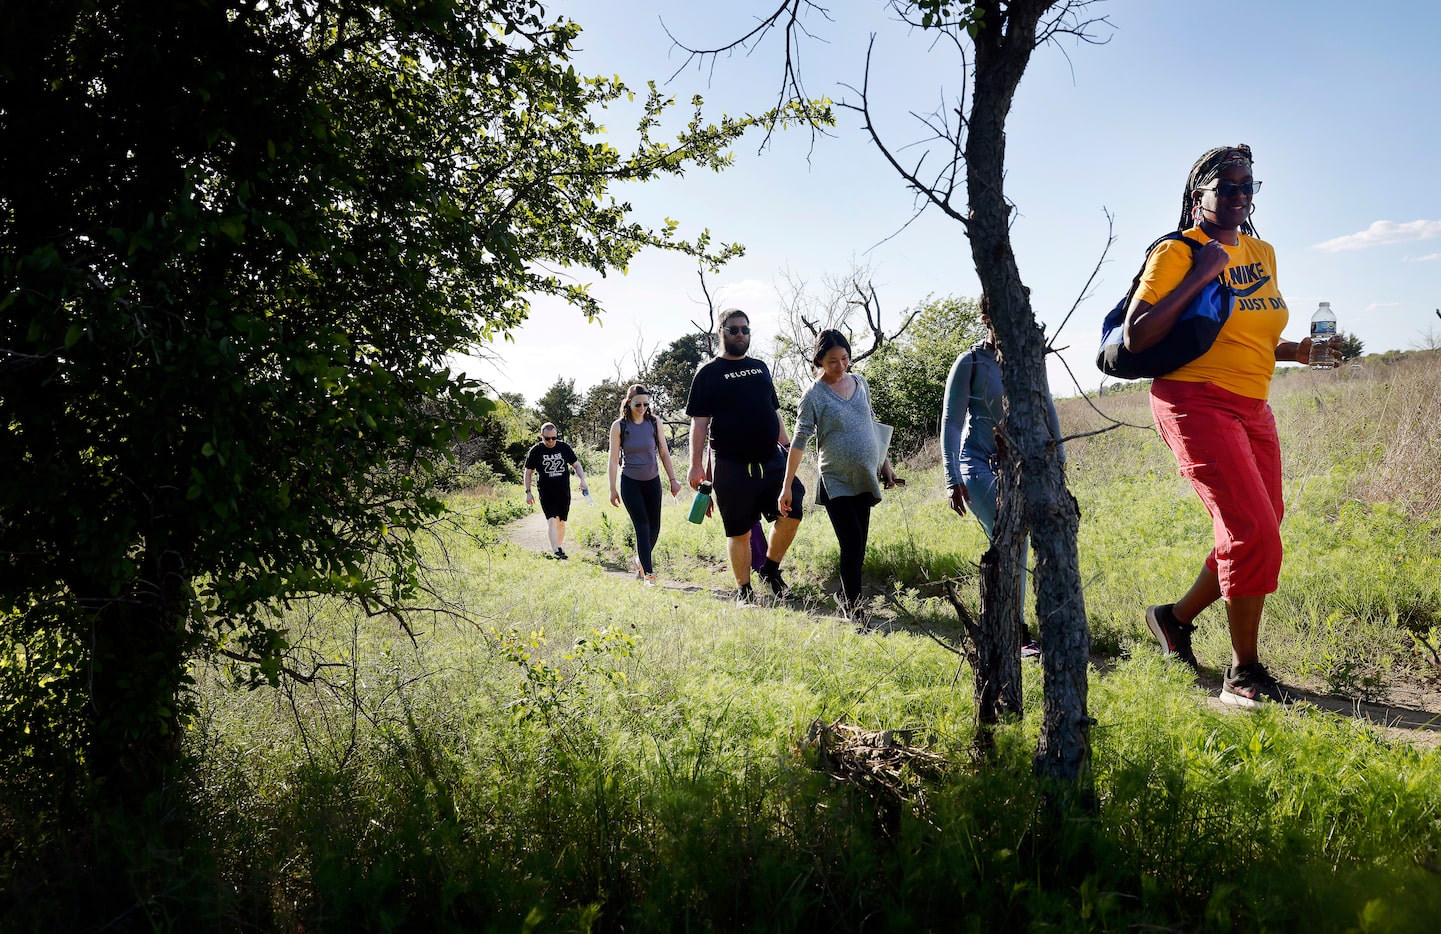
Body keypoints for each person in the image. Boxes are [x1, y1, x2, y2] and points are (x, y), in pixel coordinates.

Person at [1127, 144, 1338, 708]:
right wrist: (1201, 272)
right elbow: (1138, 334)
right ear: (1199, 195)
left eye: (1249, 188)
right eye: (1228, 188)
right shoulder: (1179, 251)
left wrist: (1302, 351)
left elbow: (1257, 335)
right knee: (1254, 533)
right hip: (1194, 401)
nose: (1241, 198)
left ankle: (1171, 620)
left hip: (1253, 405)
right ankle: (1243, 673)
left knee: (1261, 524)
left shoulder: (1263, 252)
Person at [941, 297, 1060, 657]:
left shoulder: (1028, 361)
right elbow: (951, 421)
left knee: (1018, 539)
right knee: (1012, 534)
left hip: (1018, 468)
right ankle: (1014, 630)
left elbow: (1048, 407)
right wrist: (950, 477)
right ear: (986, 318)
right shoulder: (972, 362)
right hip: (975, 465)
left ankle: (1006, 623)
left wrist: (1060, 461)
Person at [779, 330, 900, 623]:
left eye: (845, 358)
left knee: (860, 546)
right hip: (835, 479)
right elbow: (799, 440)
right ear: (819, 360)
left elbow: (870, 424)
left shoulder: (860, 383)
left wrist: (886, 466)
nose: (841, 365)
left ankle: (847, 596)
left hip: (865, 476)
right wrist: (786, 487)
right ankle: (855, 611)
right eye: (833, 361)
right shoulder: (813, 395)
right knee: (852, 543)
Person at [685, 308, 805, 605]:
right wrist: (695, 465)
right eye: (734, 329)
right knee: (737, 530)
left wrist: (788, 447)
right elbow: (699, 423)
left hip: (772, 460)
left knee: (794, 509)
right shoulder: (708, 373)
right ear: (720, 332)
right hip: (731, 465)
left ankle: (771, 569)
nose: (740, 334)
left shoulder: (761, 367)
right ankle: (744, 591)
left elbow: (773, 411)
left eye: (745, 330)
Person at [607, 384, 683, 585]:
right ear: (629, 403)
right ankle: (648, 574)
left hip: (653, 481)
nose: (642, 407)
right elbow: (613, 459)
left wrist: (673, 480)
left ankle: (641, 559)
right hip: (631, 482)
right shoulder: (619, 426)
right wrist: (612, 488)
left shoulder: (654, 422)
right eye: (638, 404)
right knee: (642, 526)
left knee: (655, 527)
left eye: (646, 404)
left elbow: (664, 453)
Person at [523, 423, 588, 560]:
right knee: (552, 519)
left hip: (563, 490)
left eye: (554, 438)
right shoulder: (536, 450)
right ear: (542, 436)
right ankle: (556, 550)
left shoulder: (564, 447)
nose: (551, 441)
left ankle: (559, 546)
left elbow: (576, 464)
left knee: (561, 521)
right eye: (548, 438)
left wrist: (582, 480)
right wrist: (528, 491)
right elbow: (528, 472)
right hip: (546, 491)